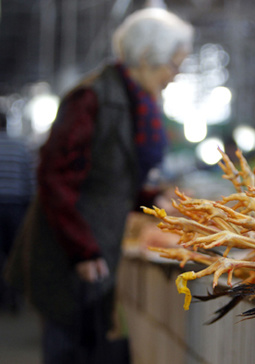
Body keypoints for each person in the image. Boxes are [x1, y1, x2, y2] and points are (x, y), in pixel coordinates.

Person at [4, 8, 193, 364]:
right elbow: (55, 177)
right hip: (67, 251)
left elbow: (110, 176)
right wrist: (83, 250)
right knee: (68, 347)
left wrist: (151, 199)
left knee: (88, 345)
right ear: (145, 57)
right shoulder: (91, 98)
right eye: (173, 64)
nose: (174, 75)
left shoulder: (134, 101)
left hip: (94, 246)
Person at [0, 110, 34, 311]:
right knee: (14, 253)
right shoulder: (20, 146)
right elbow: (30, 179)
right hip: (16, 207)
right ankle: (14, 296)